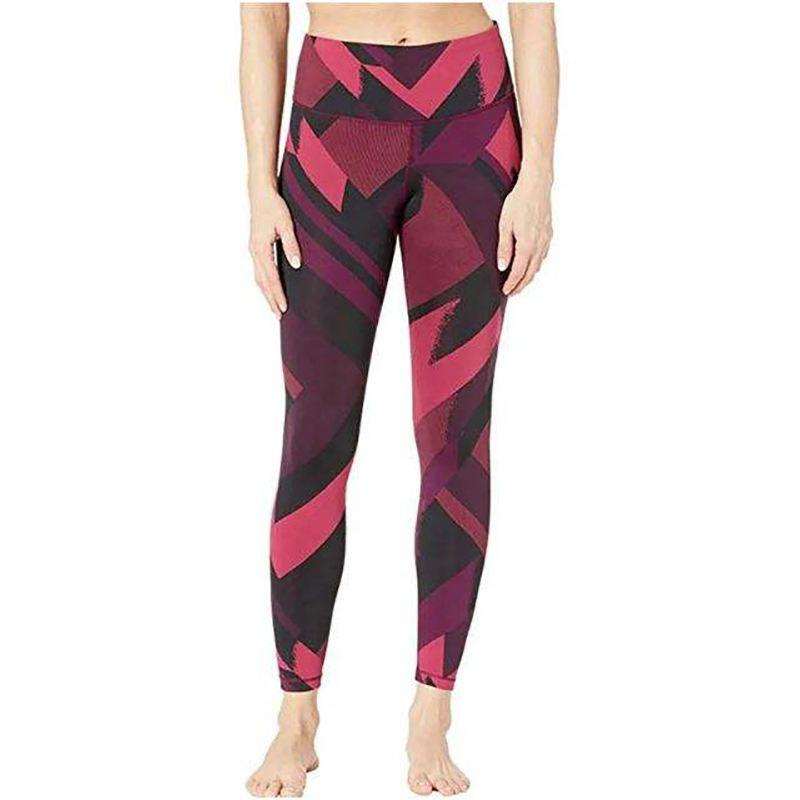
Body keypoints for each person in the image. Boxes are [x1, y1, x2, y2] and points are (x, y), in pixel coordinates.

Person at [240, 3, 559, 795]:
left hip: (470, 119)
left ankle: (431, 711)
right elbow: (262, 21)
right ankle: (296, 714)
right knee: (315, 435)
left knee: (456, 433)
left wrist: (538, 178)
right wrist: (258, 190)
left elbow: (535, 15)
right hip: (335, 123)